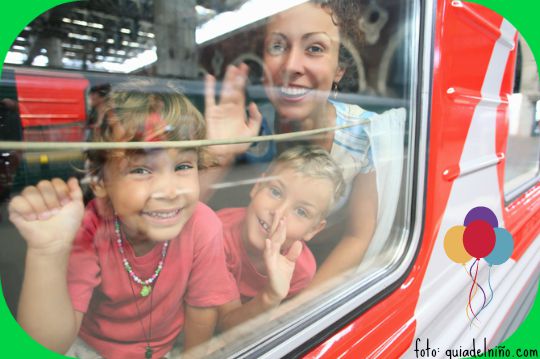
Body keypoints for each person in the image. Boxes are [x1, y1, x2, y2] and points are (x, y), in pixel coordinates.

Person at [8, 80, 239, 358]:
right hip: (93, 348)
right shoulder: (90, 228)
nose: (169, 191)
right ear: (100, 181)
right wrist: (48, 252)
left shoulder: (203, 225)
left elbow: (201, 308)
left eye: (183, 166)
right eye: (141, 170)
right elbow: (46, 347)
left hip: (164, 349)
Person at [204, 0, 378, 286]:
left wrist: (297, 308)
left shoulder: (364, 135)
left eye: (315, 48)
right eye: (277, 46)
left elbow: (358, 236)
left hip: (323, 273)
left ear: (339, 69)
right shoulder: (250, 125)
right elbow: (181, 216)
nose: (291, 65)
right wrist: (218, 155)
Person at [217, 145, 345, 329]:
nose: (278, 212)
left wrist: (274, 296)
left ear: (314, 230)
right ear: (257, 187)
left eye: (301, 211)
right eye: (276, 192)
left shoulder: (300, 271)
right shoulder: (216, 235)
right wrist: (269, 296)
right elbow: (223, 324)